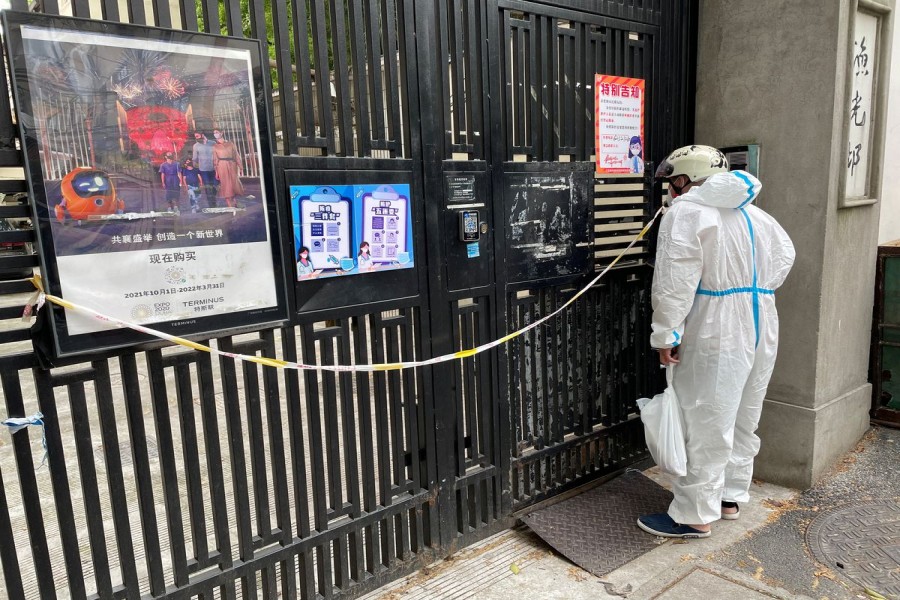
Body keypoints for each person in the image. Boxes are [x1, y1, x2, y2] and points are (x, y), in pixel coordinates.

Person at [637, 145, 795, 539]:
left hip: (716, 324)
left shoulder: (687, 212)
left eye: (671, 182)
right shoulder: (759, 215)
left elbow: (674, 281)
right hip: (762, 321)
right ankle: (729, 496)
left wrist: (666, 334)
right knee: (744, 415)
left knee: (706, 418)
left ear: (682, 179)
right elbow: (784, 259)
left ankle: (693, 515)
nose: (670, 192)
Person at [212, 128, 243, 208]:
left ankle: (234, 202)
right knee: (226, 185)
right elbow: (215, 159)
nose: (215, 134)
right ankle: (230, 206)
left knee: (233, 183)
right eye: (214, 133)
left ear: (221, 133)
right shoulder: (215, 146)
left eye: (217, 132)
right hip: (221, 166)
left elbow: (236, 155)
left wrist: (241, 166)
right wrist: (216, 172)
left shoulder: (230, 144)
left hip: (232, 165)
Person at [192, 131, 217, 208]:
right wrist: (195, 167)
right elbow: (194, 158)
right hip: (203, 170)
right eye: (195, 136)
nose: (196, 138)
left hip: (214, 168)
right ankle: (212, 205)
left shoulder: (213, 143)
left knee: (214, 186)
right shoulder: (196, 146)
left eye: (197, 136)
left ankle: (213, 200)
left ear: (202, 135)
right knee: (208, 187)